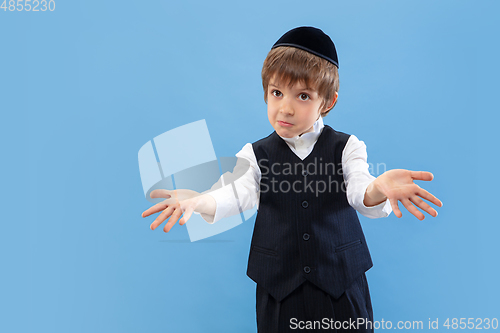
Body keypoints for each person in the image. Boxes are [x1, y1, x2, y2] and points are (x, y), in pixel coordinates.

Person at [141, 26, 442, 332]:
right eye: (276, 93)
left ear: (328, 101)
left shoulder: (346, 147)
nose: (285, 107)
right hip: (280, 292)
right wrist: (200, 200)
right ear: (265, 93)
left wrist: (378, 187)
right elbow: (235, 193)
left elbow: (360, 189)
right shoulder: (255, 154)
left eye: (302, 95)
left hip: (341, 288)